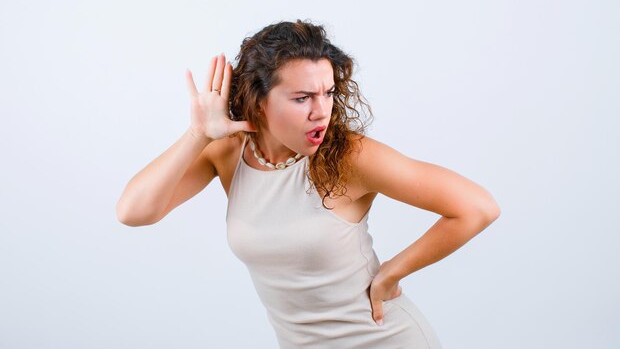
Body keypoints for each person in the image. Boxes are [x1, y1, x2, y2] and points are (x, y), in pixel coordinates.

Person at [116, 19, 500, 348]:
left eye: (328, 93)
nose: (321, 111)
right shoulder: (229, 152)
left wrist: (393, 272)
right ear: (259, 100)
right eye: (302, 98)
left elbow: (476, 207)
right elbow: (134, 212)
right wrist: (198, 135)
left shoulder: (349, 155)